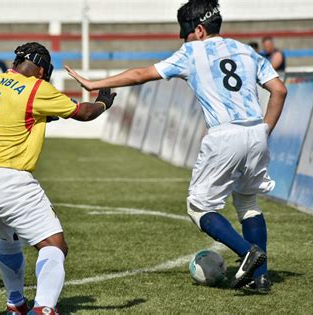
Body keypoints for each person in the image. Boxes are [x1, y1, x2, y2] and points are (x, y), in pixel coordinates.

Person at [65, 0, 287, 293]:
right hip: (256, 130)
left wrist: (95, 83)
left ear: (198, 29)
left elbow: (140, 74)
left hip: (224, 134)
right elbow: (279, 90)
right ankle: (261, 278)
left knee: (198, 207)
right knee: (247, 202)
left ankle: (247, 252)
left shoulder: (192, 51)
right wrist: (265, 129)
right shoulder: (247, 51)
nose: (185, 40)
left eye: (186, 34)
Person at [0, 42, 115, 315]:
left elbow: (20, 115)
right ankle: (43, 308)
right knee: (54, 245)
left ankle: (16, 303)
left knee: (9, 237)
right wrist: (103, 102)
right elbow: (84, 113)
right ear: (42, 70)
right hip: (7, 179)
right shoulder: (37, 87)